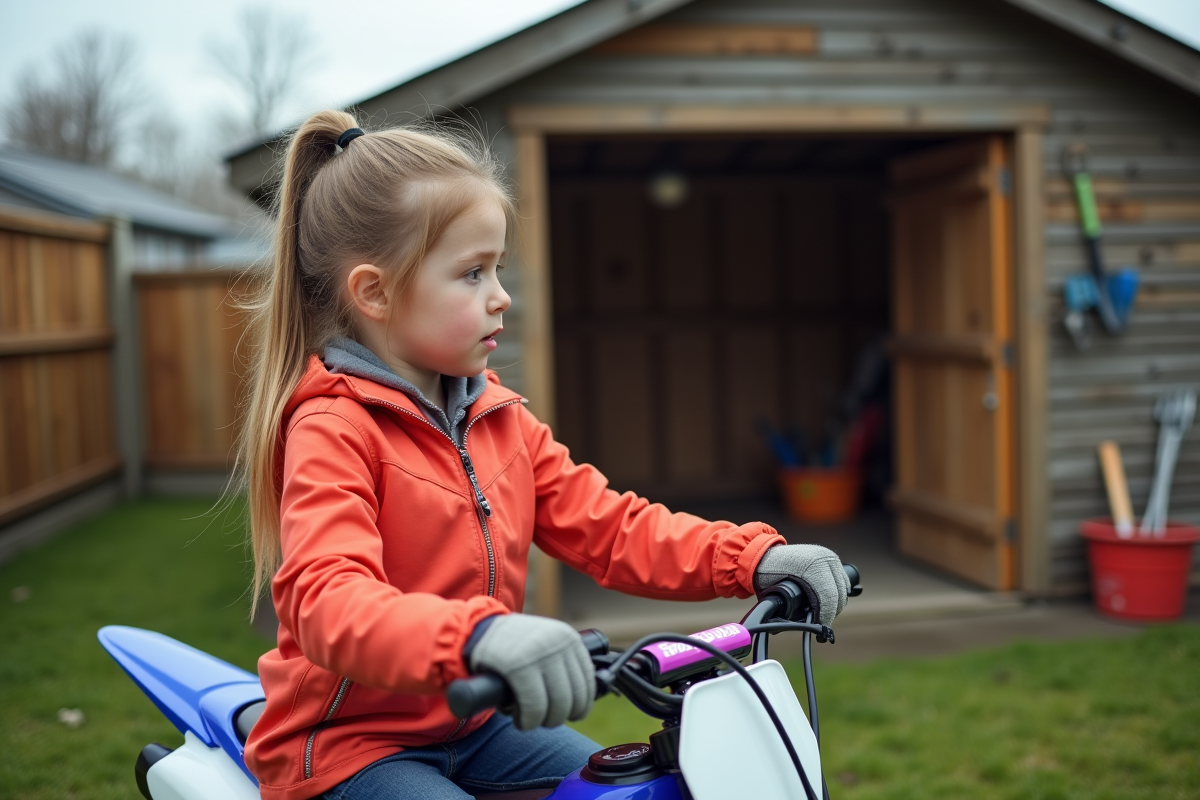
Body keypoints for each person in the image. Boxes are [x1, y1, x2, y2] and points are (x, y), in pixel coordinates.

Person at [237, 109, 850, 800]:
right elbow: (328, 602)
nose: (501, 297)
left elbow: (612, 527)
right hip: (352, 747)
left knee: (630, 789)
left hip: (476, 722)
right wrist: (478, 638)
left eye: (497, 268)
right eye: (472, 273)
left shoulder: (498, 415)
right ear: (374, 292)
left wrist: (753, 559)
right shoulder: (333, 427)